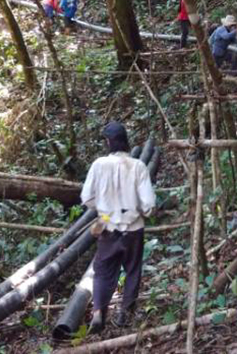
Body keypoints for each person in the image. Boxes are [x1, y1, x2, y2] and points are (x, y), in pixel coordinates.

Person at [82, 122, 156, 332]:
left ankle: (98, 313)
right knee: (132, 270)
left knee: (103, 271)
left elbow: (87, 198)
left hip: (107, 227)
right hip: (134, 230)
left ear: (108, 142)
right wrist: (139, 212)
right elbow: (149, 204)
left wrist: (105, 210)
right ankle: (125, 311)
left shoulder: (98, 165)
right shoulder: (138, 166)